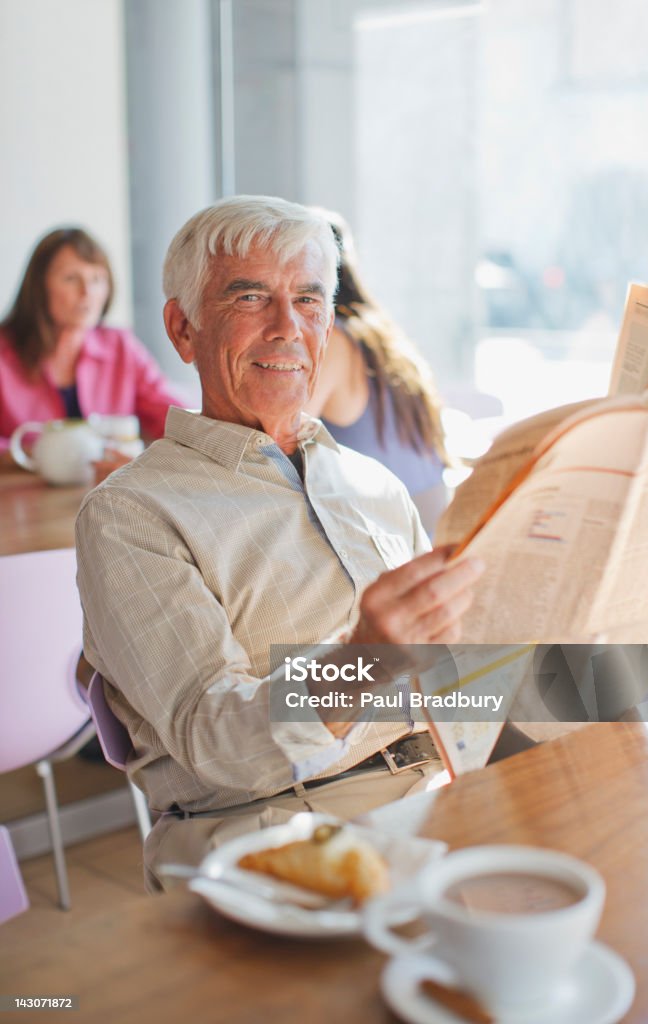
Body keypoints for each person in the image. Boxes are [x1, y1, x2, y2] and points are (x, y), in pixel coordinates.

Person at [75, 196, 483, 888]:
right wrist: (365, 661)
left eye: (308, 299)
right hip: (275, 835)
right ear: (183, 327)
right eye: (249, 297)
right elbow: (214, 740)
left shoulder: (373, 485)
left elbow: (454, 682)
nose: (287, 326)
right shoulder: (132, 513)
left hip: (437, 795)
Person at [306, 210, 449, 537]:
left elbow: (278, 439)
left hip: (387, 537)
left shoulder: (333, 343)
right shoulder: (383, 334)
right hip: (429, 529)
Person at [0, 226, 187, 467]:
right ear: (38, 287)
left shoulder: (120, 346)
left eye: (97, 279)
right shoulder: (5, 351)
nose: (87, 292)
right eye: (71, 279)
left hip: (99, 493)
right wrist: (29, 454)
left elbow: (172, 415)